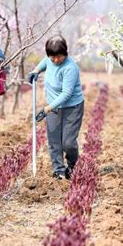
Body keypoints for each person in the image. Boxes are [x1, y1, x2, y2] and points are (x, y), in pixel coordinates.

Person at [27, 35, 84, 180]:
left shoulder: (70, 68)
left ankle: (72, 165)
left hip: (72, 107)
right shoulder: (49, 60)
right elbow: (45, 62)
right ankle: (58, 170)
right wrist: (36, 70)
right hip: (53, 106)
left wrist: (47, 108)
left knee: (68, 143)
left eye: (59, 56)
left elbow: (66, 94)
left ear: (65, 53)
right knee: (54, 141)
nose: (56, 60)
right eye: (53, 57)